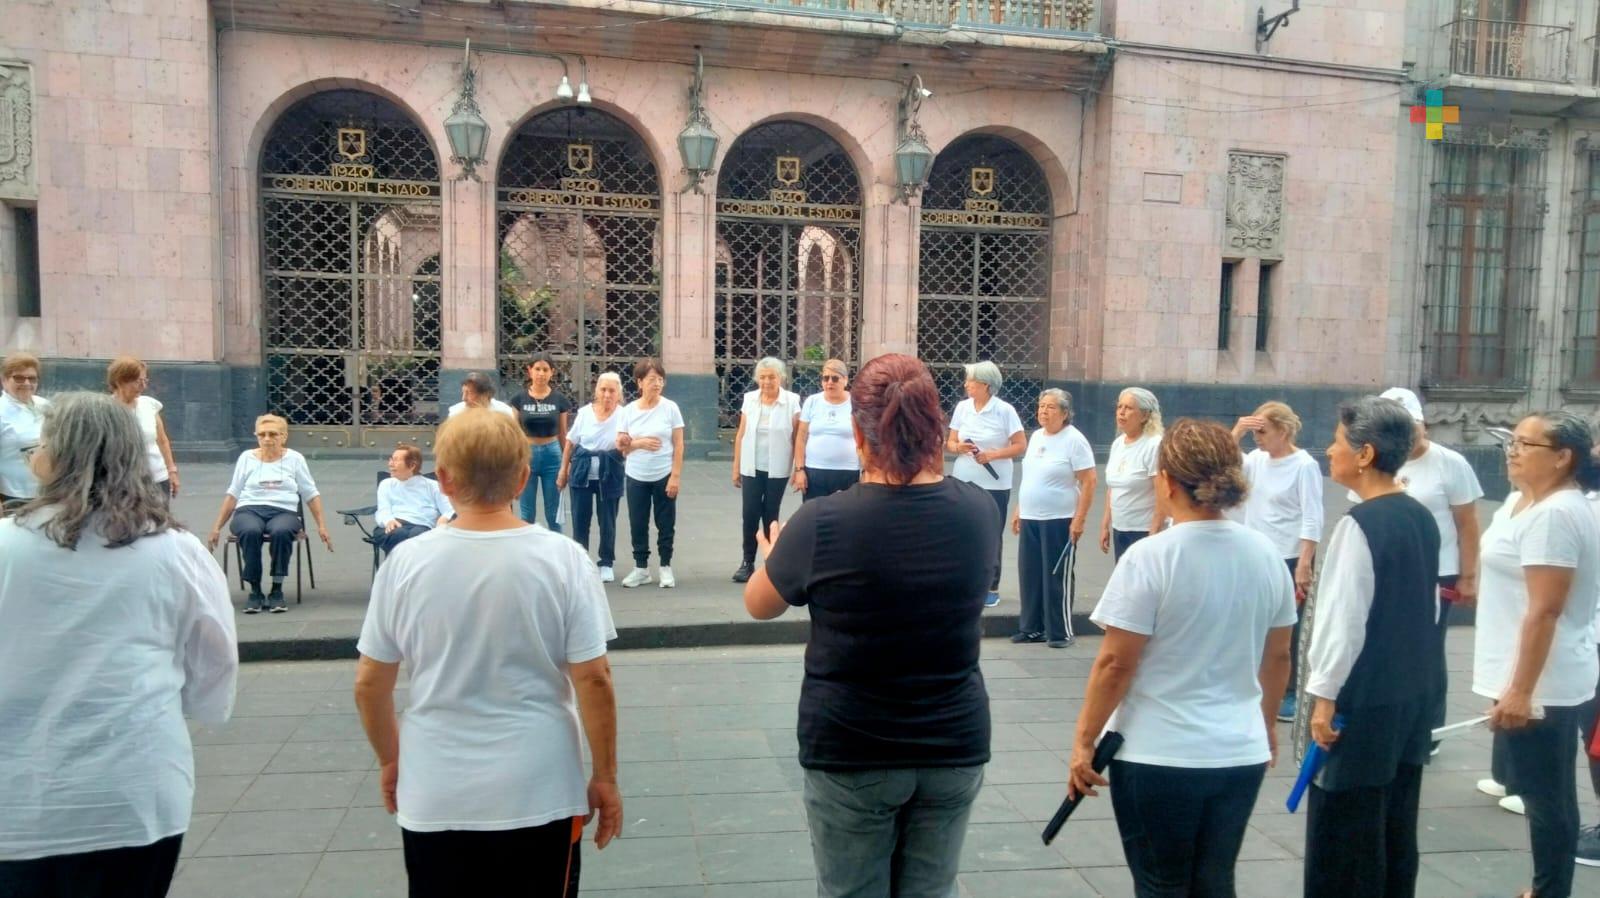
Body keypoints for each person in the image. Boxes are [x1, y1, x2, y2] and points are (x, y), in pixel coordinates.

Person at [743, 353, 998, 898]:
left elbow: (759, 605)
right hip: (952, 742)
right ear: (936, 430)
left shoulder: (822, 521)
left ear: (860, 435)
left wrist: (773, 556)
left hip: (853, 746)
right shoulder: (979, 512)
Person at [354, 409, 621, 898]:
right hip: (538, 788)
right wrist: (605, 776)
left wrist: (391, 759)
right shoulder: (564, 559)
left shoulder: (406, 562)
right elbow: (594, 679)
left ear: (446, 481)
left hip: (435, 787)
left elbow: (370, 683)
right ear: (523, 478)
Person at [0, 392, 236, 898]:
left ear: (56, 457)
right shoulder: (175, 552)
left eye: (37, 445)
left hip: (19, 801)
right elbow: (214, 664)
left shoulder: (6, 546)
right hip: (134, 793)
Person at [1068, 418, 1295, 898]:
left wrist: (1085, 740)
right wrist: (1267, 724)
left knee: (1161, 883)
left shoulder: (1151, 557)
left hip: (1158, 752)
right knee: (1215, 881)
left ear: (1168, 482)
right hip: (1239, 749)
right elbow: (1278, 659)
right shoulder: (1267, 555)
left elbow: (1115, 665)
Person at [1301, 397, 1442, 898]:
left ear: (1364, 454)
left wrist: (1324, 696)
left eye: (1338, 442)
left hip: (1364, 697)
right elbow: (1429, 610)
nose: (1329, 450)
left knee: (1345, 826)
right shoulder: (1419, 515)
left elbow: (1344, 620)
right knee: (1396, 816)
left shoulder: (1359, 525)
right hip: (1411, 690)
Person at [1472, 411, 1600, 898]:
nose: (1514, 451)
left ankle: (1550, 891)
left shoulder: (1557, 514)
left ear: (1564, 457)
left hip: (1544, 678)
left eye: (1527, 444)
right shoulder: (1523, 502)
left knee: (1548, 797)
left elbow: (1546, 610)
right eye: (1513, 442)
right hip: (1525, 671)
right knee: (1543, 791)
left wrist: (1521, 690)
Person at [1352, 387, 1483, 753]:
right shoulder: (1379, 461)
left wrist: (1468, 576)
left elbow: (1468, 523)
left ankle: (1427, 727)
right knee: (1387, 646)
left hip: (1437, 572)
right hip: (1388, 572)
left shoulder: (1450, 463)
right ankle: (1393, 720)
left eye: (1412, 427)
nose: (1407, 438)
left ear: (1422, 424)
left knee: (1427, 650)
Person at [1232, 400, 1324, 722]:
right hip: (1255, 552)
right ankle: (1256, 684)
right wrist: (1237, 433)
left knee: (1288, 627)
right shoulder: (1256, 460)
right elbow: (1225, 467)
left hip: (1287, 555)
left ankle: (1289, 692)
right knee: (1253, 620)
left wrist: (1304, 562)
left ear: (1283, 431)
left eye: (1262, 431)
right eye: (1255, 431)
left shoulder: (1304, 465)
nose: (1258, 438)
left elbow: (1312, 516)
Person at [206, 414, 333, 613]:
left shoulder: (295, 459)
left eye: (273, 434)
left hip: (284, 512)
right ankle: (255, 590)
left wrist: (322, 526)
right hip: (249, 510)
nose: (267, 439)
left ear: (284, 436)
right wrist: (216, 527)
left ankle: (277, 589)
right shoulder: (246, 458)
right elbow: (233, 494)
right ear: (256, 436)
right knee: (250, 531)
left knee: (281, 532)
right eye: (262, 434)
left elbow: (311, 494)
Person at [1009, 389, 1096, 648]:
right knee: (1030, 574)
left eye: (1050, 407)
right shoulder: (1036, 437)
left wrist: (1079, 520)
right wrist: (1019, 509)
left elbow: (1090, 480)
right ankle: (1032, 628)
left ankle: (1060, 631)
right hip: (1031, 516)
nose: (1043, 411)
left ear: (1065, 413)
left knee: (1056, 576)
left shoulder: (1074, 440)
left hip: (1060, 518)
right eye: (1041, 406)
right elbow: (1031, 477)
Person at [945, 360, 1025, 607]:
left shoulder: (1005, 410)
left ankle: (992, 585)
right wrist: (959, 447)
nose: (966, 384)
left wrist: (992, 455)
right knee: (961, 531)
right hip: (963, 478)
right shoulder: (962, 407)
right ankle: (963, 581)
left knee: (991, 533)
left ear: (986, 385)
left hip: (994, 483)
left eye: (971, 380)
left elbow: (1020, 445)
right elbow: (950, 442)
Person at [616, 358, 684, 589]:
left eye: (660, 379)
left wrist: (675, 476)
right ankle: (641, 568)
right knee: (638, 522)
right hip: (636, 475)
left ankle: (665, 567)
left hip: (663, 473)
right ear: (640, 382)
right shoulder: (627, 411)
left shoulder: (670, 408)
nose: (657, 384)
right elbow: (621, 445)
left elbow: (679, 444)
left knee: (665, 523)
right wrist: (638, 442)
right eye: (652, 379)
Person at [731, 357, 801, 583]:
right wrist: (736, 467)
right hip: (752, 466)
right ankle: (747, 561)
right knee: (749, 513)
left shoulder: (792, 401)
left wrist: (798, 467)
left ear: (781, 378)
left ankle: (772, 562)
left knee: (771, 513)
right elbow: (741, 435)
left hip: (777, 467)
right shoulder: (749, 399)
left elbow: (798, 436)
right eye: (762, 377)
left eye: (772, 377)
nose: (767, 381)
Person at [559, 372, 625, 583]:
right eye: (603, 390)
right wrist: (563, 470)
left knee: (608, 521)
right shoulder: (585, 413)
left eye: (612, 391)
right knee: (580, 519)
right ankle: (581, 561)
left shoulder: (624, 414)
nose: (607, 395)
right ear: (596, 391)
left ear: (619, 394)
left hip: (610, 471)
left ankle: (606, 562)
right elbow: (570, 442)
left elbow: (629, 442)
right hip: (582, 471)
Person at [1101, 387, 1164, 562]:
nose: (1121, 412)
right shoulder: (1118, 444)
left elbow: (1162, 493)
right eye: (1119, 407)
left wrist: (1155, 531)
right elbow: (1112, 487)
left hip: (1143, 530)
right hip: (1120, 528)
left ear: (1145, 415)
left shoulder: (1153, 445)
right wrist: (1105, 524)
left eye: (1128, 408)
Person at [513, 354, 572, 532]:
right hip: (527, 454)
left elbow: (563, 433)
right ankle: (527, 554)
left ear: (552, 373)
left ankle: (556, 553)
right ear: (529, 371)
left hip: (552, 454)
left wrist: (566, 462)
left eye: (545, 369)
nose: (541, 373)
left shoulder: (560, 400)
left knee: (553, 513)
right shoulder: (519, 399)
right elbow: (514, 433)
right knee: (527, 513)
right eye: (537, 369)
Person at [107, 356, 179, 502]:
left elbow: (162, 441)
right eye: (138, 381)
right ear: (120, 381)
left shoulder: (149, 405)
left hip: (157, 479)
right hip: (121, 483)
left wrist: (172, 471)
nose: (143, 386)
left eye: (145, 381)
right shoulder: (105, 410)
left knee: (159, 522)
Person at [792, 358, 860, 502]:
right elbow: (801, 437)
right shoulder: (812, 401)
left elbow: (864, 439)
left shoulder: (856, 403)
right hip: (814, 471)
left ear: (845, 380)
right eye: (825, 378)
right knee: (814, 518)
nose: (829, 382)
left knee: (845, 518)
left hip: (847, 472)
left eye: (835, 378)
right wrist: (799, 470)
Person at [376, 443, 453, 557]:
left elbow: (450, 508)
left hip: (422, 526)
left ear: (412, 465)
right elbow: (383, 509)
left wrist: (444, 518)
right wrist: (388, 520)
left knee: (418, 536)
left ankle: (410, 572)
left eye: (396, 460)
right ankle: (399, 571)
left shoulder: (432, 486)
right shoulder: (386, 484)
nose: (390, 464)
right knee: (398, 534)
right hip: (395, 524)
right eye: (391, 459)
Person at [0, 352, 49, 503]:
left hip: (46, 491)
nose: (27, 383)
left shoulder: (45, 405)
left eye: (32, 378)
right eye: (19, 378)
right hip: (13, 495)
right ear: (4, 380)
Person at [447, 371, 517, 419]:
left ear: (485, 394)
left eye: (469, 393)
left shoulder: (504, 412)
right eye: (463, 393)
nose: (464, 398)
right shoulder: (456, 412)